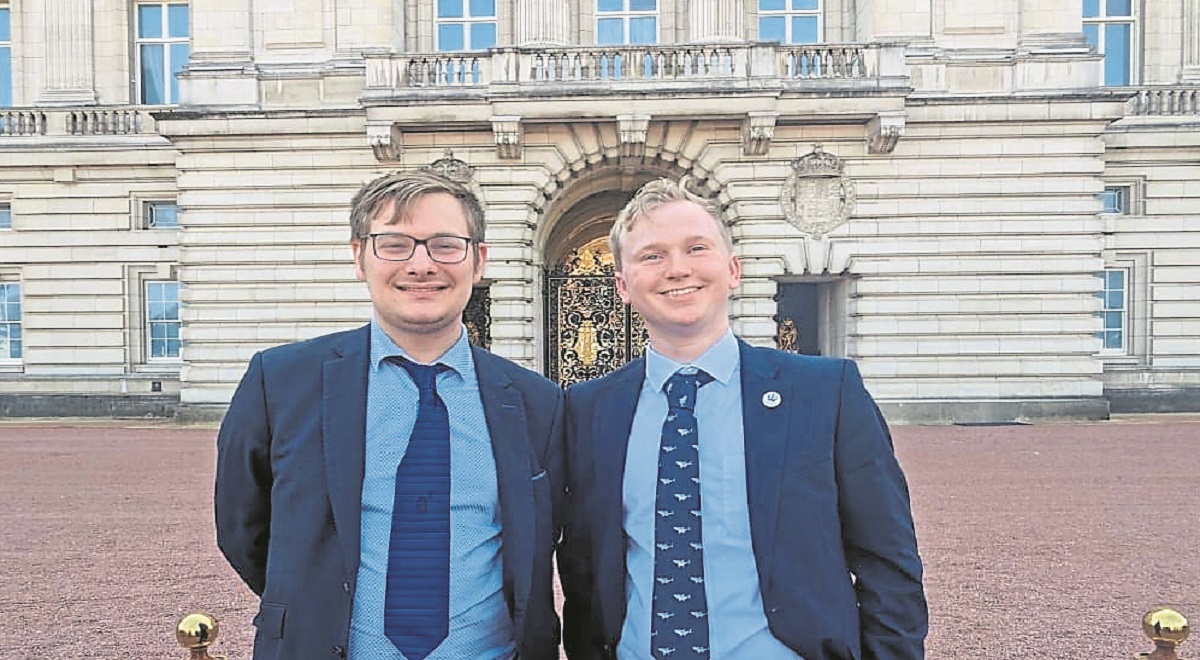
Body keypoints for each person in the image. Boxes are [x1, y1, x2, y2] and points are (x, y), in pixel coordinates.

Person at [559, 178, 927, 660]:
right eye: (652, 255)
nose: (677, 268)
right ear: (623, 286)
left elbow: (888, 563)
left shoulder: (826, 394)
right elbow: (584, 570)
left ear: (733, 269)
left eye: (696, 248)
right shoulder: (588, 409)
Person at [215, 170, 564, 660]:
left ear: (478, 260)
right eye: (395, 245)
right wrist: (310, 605)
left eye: (445, 245)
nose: (421, 265)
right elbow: (242, 528)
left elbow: (547, 541)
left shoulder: (538, 402)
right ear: (359, 256)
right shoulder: (279, 382)